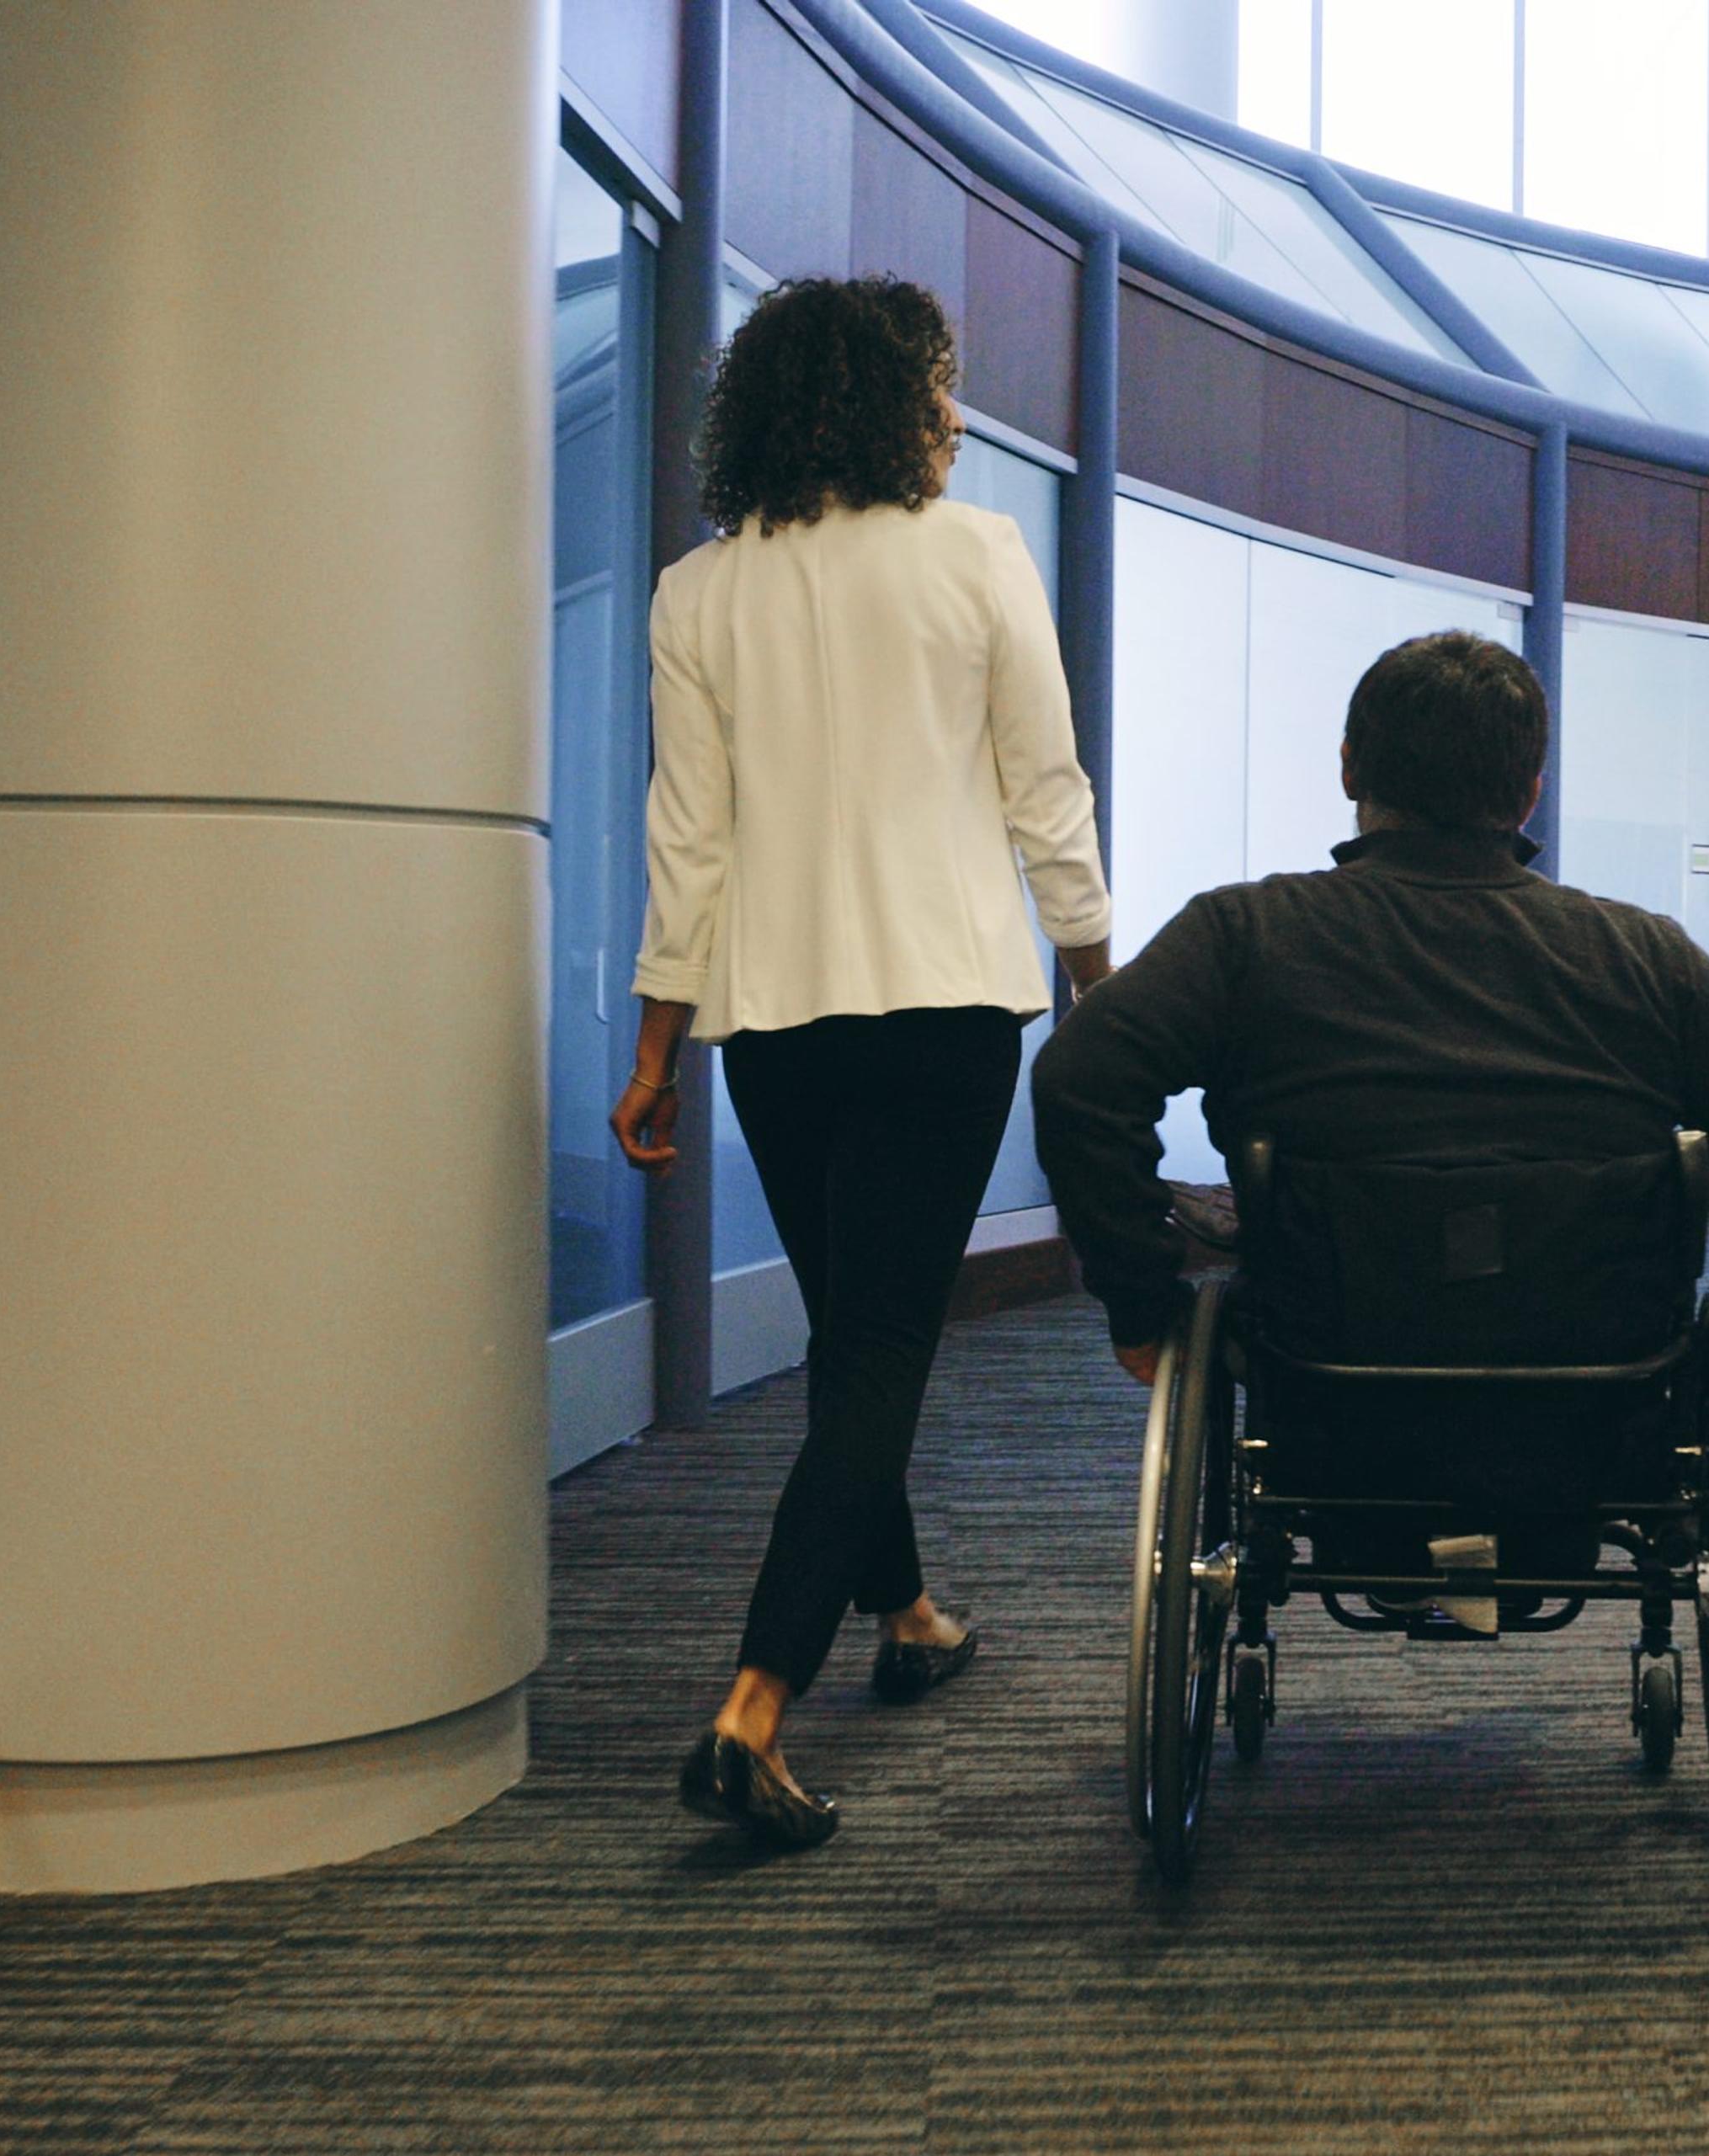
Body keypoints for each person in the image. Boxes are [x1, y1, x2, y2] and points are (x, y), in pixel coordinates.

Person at [615, 276, 1112, 1850]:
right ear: (888, 403)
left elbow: (685, 844)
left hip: (775, 1016)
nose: (954, 416)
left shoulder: (699, 593)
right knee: (885, 1347)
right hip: (945, 1004)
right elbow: (1045, 786)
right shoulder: (973, 554)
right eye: (940, 387)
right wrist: (1097, 978)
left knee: (852, 1331)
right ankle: (752, 1708)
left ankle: (907, 1616)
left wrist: (653, 1049)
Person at [1031, 630, 1709, 1435]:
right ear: (1529, 791)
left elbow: (1080, 1078)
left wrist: (1141, 1300)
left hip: (1324, 1386)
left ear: (1349, 763)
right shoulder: (1645, 954)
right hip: (1598, 1397)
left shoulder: (1245, 933)